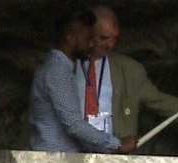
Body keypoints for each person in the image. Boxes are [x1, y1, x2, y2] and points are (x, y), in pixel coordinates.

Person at [77, 6, 178, 140]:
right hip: (70, 153)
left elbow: (162, 102)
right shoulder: (64, 65)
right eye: (104, 38)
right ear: (88, 33)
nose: (111, 44)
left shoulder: (129, 70)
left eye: (114, 38)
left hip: (114, 156)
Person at [30, 11, 136, 154]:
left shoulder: (60, 68)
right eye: (88, 38)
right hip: (54, 159)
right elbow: (74, 125)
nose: (92, 44)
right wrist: (116, 144)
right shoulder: (58, 72)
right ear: (70, 38)